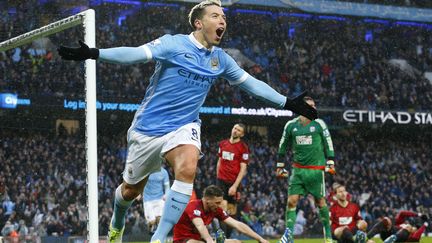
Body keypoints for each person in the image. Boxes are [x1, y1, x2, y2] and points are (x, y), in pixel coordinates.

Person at [58, 0, 317, 242]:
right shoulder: (174, 44)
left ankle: (158, 238)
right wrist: (94, 53)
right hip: (148, 129)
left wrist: (288, 102)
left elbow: (252, 84)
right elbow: (137, 54)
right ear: (199, 23)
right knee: (129, 192)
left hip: (185, 126)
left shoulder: (221, 59)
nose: (222, 21)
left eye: (224, 17)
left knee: (188, 168)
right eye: (215, 16)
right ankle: (117, 221)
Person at [275, 96, 334, 243]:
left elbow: (328, 142)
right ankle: (288, 235)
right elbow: (283, 145)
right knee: (291, 202)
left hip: (316, 170)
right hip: (298, 170)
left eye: (314, 105)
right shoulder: (291, 125)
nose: (313, 108)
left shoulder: (319, 124)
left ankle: (328, 235)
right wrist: (280, 165)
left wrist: (331, 160)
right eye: (310, 106)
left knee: (320, 202)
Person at [173, 185, 269, 243]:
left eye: (220, 202)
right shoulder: (193, 205)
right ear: (207, 200)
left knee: (236, 242)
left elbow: (237, 224)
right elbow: (200, 225)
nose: (220, 205)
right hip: (183, 241)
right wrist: (210, 241)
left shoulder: (215, 209)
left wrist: (260, 239)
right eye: (217, 202)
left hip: (201, 240)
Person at [216, 123, 249, 238]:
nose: (235, 131)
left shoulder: (243, 148)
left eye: (239, 130)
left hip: (233, 183)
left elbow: (243, 168)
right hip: (221, 181)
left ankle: (227, 237)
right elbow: (219, 161)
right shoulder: (223, 144)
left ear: (242, 134)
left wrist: (235, 186)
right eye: (235, 128)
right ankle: (222, 237)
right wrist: (218, 177)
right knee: (222, 207)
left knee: (231, 212)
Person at [142, 167, 170, 234]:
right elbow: (139, 182)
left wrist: (166, 195)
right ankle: (150, 229)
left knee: (160, 219)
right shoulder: (145, 171)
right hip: (148, 200)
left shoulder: (164, 172)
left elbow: (167, 186)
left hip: (159, 199)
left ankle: (158, 236)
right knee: (152, 221)